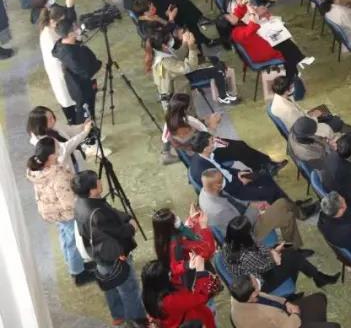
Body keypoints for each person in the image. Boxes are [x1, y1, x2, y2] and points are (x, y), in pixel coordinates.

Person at [71, 170, 149, 325]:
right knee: (129, 289)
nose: (100, 181)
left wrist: (126, 217)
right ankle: (138, 321)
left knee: (110, 285)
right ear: (92, 190)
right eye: (97, 180)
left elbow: (110, 211)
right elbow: (120, 231)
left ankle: (118, 315)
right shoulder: (98, 213)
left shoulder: (81, 202)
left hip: (98, 253)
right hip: (114, 255)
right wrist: (132, 226)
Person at [25, 138, 95, 286]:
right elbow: (68, 203)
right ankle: (78, 273)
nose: (59, 149)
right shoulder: (57, 175)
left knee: (65, 236)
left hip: (51, 211)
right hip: (64, 212)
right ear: (51, 156)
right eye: (57, 148)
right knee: (73, 241)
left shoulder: (37, 171)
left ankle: (72, 262)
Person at [220, 216, 338, 292]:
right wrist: (274, 257)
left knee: (290, 253)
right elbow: (266, 266)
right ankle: (318, 278)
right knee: (295, 259)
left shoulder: (229, 242)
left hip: (253, 269)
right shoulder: (247, 255)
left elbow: (256, 246)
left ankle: (316, 278)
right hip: (257, 283)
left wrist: (272, 250)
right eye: (249, 230)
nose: (252, 231)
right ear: (245, 234)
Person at [199, 168, 306, 246]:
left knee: (282, 203)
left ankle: (301, 214)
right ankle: (294, 248)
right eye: (222, 180)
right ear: (216, 186)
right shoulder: (218, 210)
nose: (224, 180)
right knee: (287, 216)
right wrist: (255, 209)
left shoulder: (209, 190)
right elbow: (241, 226)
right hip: (248, 233)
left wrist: (253, 204)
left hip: (244, 217)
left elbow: (234, 200)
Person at [229, 273, 339, 328]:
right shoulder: (265, 314)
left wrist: (286, 302)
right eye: (255, 282)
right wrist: (296, 314)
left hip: (283, 312)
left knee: (320, 297)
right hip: (289, 322)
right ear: (253, 294)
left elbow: (267, 297)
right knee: (334, 326)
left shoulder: (240, 296)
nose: (257, 280)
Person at [151, 205, 216, 289]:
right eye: (174, 217)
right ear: (171, 225)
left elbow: (187, 230)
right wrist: (204, 227)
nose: (177, 217)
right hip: (190, 276)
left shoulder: (163, 238)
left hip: (187, 267)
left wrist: (192, 219)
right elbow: (207, 250)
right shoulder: (175, 245)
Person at [38, 0, 82, 121]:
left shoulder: (51, 28)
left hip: (63, 69)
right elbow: (62, 52)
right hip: (60, 71)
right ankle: (75, 123)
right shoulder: (49, 36)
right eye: (61, 20)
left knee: (69, 97)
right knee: (68, 99)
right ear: (52, 21)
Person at [140, 258, 215, 328]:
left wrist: (187, 265)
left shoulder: (150, 293)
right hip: (191, 322)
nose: (170, 273)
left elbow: (173, 272)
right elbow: (201, 296)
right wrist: (201, 273)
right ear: (163, 281)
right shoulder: (170, 301)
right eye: (168, 274)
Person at [52, 19, 100, 125]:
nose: (78, 28)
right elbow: (85, 72)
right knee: (86, 114)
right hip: (82, 88)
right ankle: (89, 132)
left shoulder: (62, 45)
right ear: (70, 34)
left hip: (81, 84)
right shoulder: (71, 55)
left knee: (88, 109)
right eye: (75, 28)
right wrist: (97, 65)